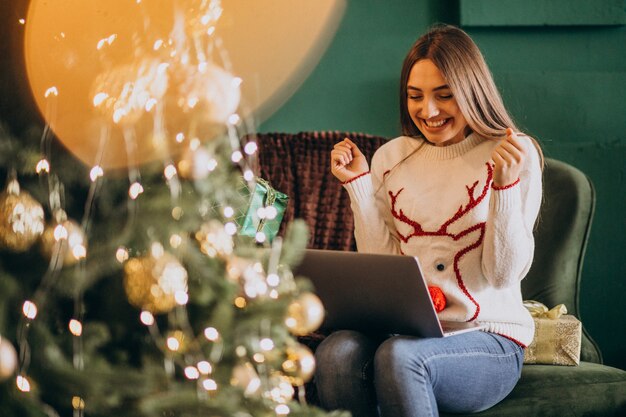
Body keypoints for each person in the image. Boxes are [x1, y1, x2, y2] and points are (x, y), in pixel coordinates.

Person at [315, 24, 543, 417]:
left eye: (444, 95)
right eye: (415, 96)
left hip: (488, 337)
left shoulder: (513, 153)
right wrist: (359, 186)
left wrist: (503, 189)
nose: (428, 111)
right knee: (336, 352)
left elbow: (504, 274)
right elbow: (382, 264)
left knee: (401, 356)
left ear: (472, 92)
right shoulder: (391, 158)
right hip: (408, 331)